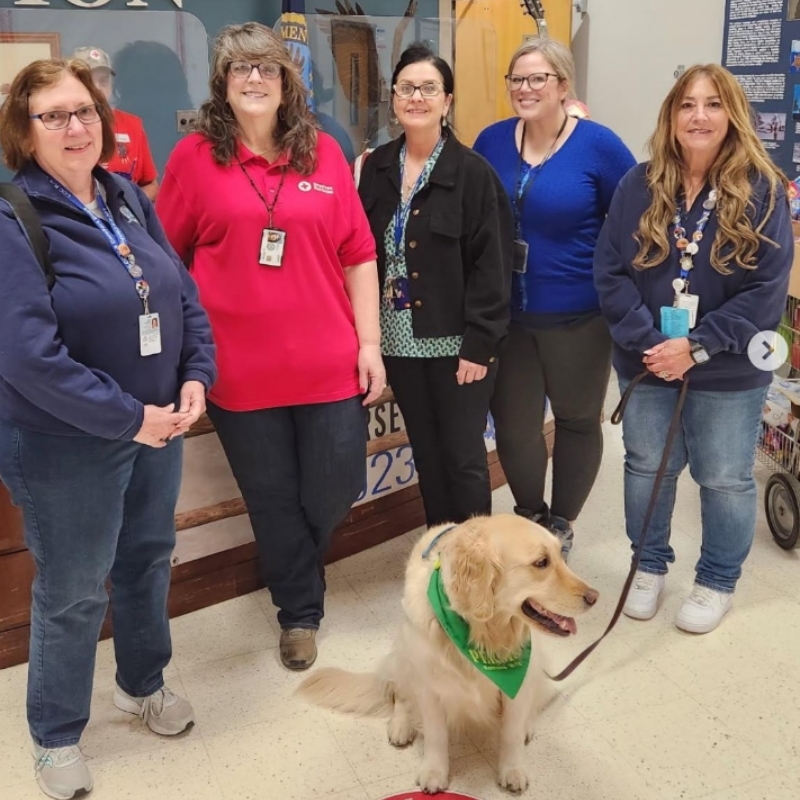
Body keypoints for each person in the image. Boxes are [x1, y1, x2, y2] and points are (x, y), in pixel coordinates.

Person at [0, 58, 216, 799]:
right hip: (69, 444)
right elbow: (29, 360)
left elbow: (180, 294)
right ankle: (56, 734)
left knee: (148, 559)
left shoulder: (125, 197)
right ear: (23, 134)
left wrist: (195, 374)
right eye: (53, 115)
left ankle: (142, 682)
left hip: (157, 427)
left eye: (84, 111)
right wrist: (132, 417)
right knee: (71, 590)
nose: (75, 127)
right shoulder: (12, 218)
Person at [156, 22, 384, 671]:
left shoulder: (324, 155)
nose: (253, 79)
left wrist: (369, 342)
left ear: (288, 82)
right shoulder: (194, 160)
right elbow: (167, 261)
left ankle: (295, 569)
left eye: (266, 68)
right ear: (222, 85)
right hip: (238, 375)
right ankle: (300, 611)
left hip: (329, 365)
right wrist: (180, 357)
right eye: (239, 69)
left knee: (336, 488)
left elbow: (360, 253)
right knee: (273, 499)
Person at [594, 64, 793, 634]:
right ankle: (648, 565)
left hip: (727, 370)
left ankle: (716, 580)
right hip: (649, 361)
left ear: (732, 115)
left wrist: (697, 346)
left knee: (725, 478)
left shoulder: (763, 187)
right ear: (671, 116)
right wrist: (653, 343)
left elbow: (765, 291)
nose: (698, 116)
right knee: (645, 468)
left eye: (711, 104)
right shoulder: (639, 183)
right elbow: (609, 272)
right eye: (686, 105)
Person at [472, 38, 636, 558]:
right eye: (517, 79)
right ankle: (530, 517)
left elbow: (634, 222)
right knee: (516, 426)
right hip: (509, 317)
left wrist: (620, 289)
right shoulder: (492, 141)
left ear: (563, 86)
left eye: (537, 78)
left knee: (575, 419)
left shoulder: (599, 146)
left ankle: (561, 524)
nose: (525, 88)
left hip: (581, 317)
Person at [357, 44, 513, 527]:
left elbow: (494, 265)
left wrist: (479, 344)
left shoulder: (472, 174)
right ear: (393, 98)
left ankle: (475, 559)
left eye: (428, 88)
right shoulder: (376, 167)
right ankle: (440, 548)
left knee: (464, 456)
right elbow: (359, 253)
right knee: (425, 451)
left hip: (457, 346)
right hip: (399, 342)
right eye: (407, 88)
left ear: (447, 101)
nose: (416, 97)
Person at [72, 46, 160, 200]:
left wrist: (128, 202)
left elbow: (152, 185)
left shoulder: (133, 124)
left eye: (103, 81)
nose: (97, 88)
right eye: (89, 81)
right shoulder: (66, 128)